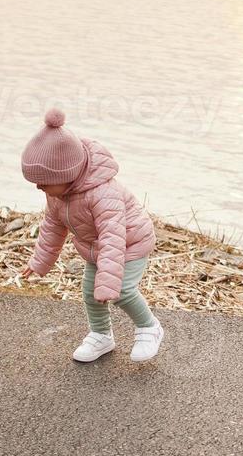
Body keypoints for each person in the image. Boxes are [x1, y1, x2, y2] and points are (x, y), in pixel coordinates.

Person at [18, 109, 163, 363]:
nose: (39, 187)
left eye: (44, 182)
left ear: (66, 175)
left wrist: (108, 282)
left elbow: (113, 237)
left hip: (130, 243)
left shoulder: (103, 194)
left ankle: (149, 327)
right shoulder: (57, 194)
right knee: (89, 292)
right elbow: (52, 226)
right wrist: (39, 262)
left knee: (122, 290)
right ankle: (101, 336)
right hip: (96, 248)